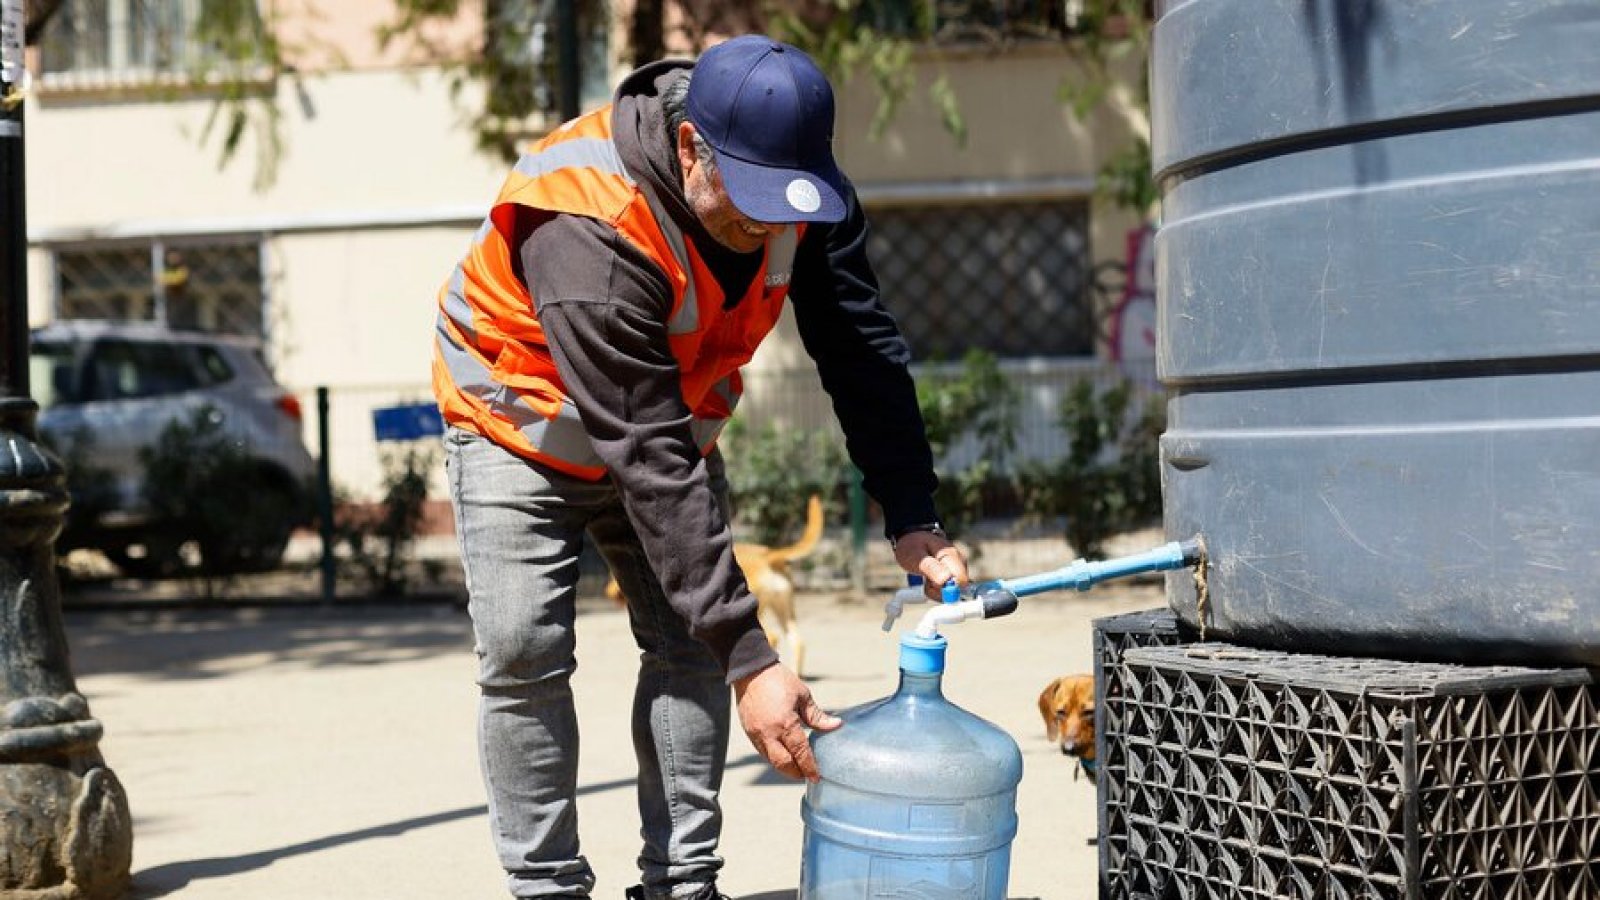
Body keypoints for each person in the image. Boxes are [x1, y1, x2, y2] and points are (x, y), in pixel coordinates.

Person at [431, 34, 971, 900]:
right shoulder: (587, 218)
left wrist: (913, 513)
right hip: (520, 422)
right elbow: (643, 450)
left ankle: (681, 882)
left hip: (664, 426)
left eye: (787, 201)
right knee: (525, 647)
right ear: (691, 148)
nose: (769, 223)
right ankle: (548, 885)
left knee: (689, 644)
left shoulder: (800, 190)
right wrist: (753, 659)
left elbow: (861, 350)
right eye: (751, 199)